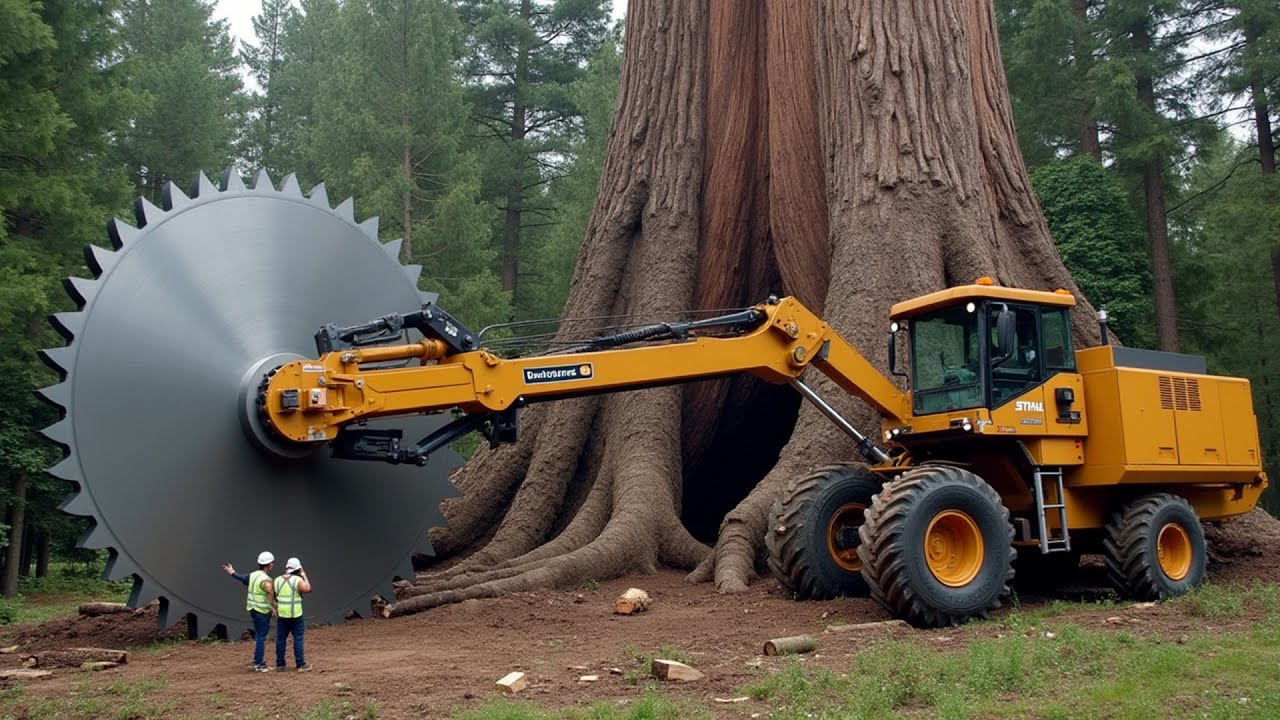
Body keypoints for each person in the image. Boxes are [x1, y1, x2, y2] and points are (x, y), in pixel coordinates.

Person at [222, 551, 277, 672]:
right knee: (261, 637)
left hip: (252, 609)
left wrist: (232, 572)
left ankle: (257, 661)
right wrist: (273, 608)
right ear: (270, 565)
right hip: (262, 611)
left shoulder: (253, 575)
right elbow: (270, 594)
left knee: (259, 636)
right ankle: (259, 664)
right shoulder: (266, 580)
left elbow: (241, 577)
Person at [274, 557, 313, 672]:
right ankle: (300, 664)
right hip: (296, 615)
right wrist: (304, 574)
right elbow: (308, 589)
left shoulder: (277, 580)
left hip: (282, 615)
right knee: (298, 639)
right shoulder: (297, 580)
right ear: (298, 568)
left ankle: (280, 665)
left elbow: (273, 595)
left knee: (281, 640)